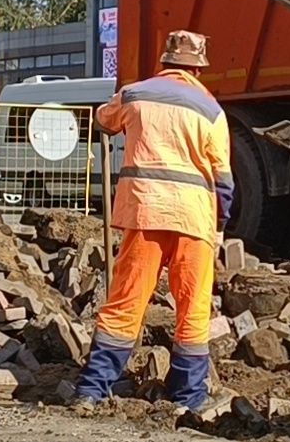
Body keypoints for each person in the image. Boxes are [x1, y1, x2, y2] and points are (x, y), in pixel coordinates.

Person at [74, 30, 233, 410]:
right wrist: (220, 223)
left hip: (145, 213)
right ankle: (189, 400)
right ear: (198, 67)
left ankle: (92, 391)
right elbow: (224, 181)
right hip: (195, 220)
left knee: (126, 301)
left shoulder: (135, 94)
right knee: (193, 308)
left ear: (165, 61)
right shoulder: (211, 110)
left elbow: (104, 120)